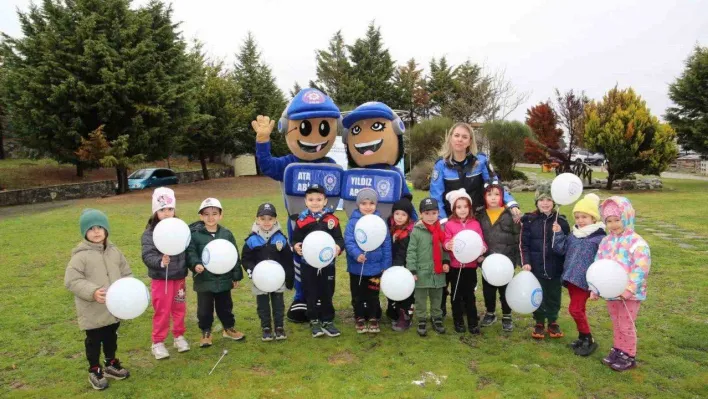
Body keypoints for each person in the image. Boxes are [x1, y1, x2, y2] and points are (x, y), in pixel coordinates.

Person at [252, 88, 341, 323]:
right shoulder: (289, 162)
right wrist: (262, 141)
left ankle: (323, 299)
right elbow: (268, 166)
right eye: (304, 128)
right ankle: (302, 297)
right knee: (300, 258)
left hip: (325, 226)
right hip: (297, 223)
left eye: (323, 128)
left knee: (324, 258)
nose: (314, 137)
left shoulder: (330, 164)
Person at [65, 209, 132, 390]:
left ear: (106, 229)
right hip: (92, 308)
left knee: (111, 336)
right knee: (94, 340)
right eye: (91, 228)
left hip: (113, 308)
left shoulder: (114, 252)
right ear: (84, 232)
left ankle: (110, 363)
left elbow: (126, 273)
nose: (96, 231)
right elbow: (72, 280)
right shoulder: (80, 256)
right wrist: (93, 292)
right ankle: (94, 369)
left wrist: (129, 290)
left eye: (100, 227)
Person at [593, 196, 651, 372]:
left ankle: (629, 355)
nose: (613, 225)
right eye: (609, 221)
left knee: (625, 324)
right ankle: (618, 349)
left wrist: (629, 289)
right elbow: (599, 264)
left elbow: (641, 268)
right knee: (616, 322)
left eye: (617, 220)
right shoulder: (606, 242)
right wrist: (596, 288)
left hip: (630, 294)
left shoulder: (637, 243)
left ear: (626, 218)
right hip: (611, 292)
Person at [429, 122, 521, 220]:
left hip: (478, 217)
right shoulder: (440, 165)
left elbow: (496, 185)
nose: (460, 139)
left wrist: (511, 203)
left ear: (469, 141)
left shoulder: (481, 161)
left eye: (464, 137)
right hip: (451, 219)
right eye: (456, 136)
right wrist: (442, 221)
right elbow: (436, 196)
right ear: (450, 138)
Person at [186, 198, 244, 348]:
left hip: (224, 278)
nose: (210, 218)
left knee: (225, 306)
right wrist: (195, 264)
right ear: (201, 216)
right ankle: (206, 332)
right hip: (204, 278)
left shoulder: (226, 234)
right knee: (204, 309)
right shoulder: (195, 235)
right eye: (206, 214)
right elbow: (191, 252)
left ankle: (228, 328)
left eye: (214, 213)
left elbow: (234, 255)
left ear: (220, 215)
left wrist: (236, 274)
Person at [553, 194, 606, 356]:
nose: (580, 220)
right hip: (571, 278)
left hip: (585, 281)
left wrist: (596, 286)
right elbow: (560, 250)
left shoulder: (600, 238)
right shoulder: (574, 234)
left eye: (584, 217)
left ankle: (588, 338)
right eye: (577, 217)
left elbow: (602, 263)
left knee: (575, 309)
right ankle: (582, 337)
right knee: (579, 309)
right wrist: (559, 234)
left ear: (594, 218)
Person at [141, 187, 189, 360]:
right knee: (162, 309)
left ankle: (178, 336)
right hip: (161, 279)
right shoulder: (149, 234)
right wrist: (161, 262)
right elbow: (147, 255)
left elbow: (187, 249)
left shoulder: (180, 228)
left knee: (179, 307)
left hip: (179, 277)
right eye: (162, 209)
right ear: (155, 212)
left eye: (170, 209)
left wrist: (193, 265)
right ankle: (158, 342)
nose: (167, 213)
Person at [291, 184, 345, 338]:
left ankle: (328, 320)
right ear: (306, 201)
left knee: (327, 290)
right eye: (311, 199)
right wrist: (296, 246)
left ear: (325, 201)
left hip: (328, 264)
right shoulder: (301, 220)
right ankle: (314, 319)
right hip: (308, 265)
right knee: (311, 291)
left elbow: (339, 239)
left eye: (319, 199)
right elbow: (295, 240)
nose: (315, 202)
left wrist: (338, 247)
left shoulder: (332, 220)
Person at [520, 184, 570, 339]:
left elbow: (567, 245)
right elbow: (524, 244)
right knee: (538, 294)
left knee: (553, 294)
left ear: (554, 202)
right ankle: (539, 321)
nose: (545, 203)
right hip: (536, 267)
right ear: (537, 202)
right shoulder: (530, 221)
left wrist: (560, 232)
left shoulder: (561, 221)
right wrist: (526, 262)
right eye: (542, 200)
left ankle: (553, 320)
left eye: (549, 199)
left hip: (555, 267)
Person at [241, 203, 295, 341]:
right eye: (263, 218)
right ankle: (266, 327)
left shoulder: (281, 239)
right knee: (263, 304)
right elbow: (246, 259)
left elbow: (288, 259)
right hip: (260, 279)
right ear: (257, 219)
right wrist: (252, 270)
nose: (266, 222)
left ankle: (279, 327)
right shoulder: (251, 240)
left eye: (270, 219)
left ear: (275, 220)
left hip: (278, 279)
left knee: (278, 303)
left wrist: (289, 278)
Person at [344, 188, 392, 334]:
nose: (368, 206)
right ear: (358, 204)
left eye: (371, 203)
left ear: (376, 205)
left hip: (375, 268)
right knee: (358, 294)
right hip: (357, 268)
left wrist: (385, 265)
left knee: (373, 294)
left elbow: (386, 244)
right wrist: (356, 254)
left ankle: (373, 317)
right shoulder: (353, 222)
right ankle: (359, 316)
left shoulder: (380, 222)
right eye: (364, 203)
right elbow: (349, 241)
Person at [477, 181, 520, 332]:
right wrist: (479, 257)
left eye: (497, 194)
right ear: (484, 197)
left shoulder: (511, 214)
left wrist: (515, 259)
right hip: (487, 261)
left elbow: (517, 237)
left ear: (502, 196)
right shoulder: (480, 214)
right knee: (488, 289)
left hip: (506, 260)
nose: (493, 198)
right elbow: (476, 237)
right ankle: (490, 313)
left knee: (505, 290)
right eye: (489, 195)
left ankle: (507, 315)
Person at [443, 188, 486, 334]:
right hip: (455, 266)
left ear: (470, 207)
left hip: (470, 267)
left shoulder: (475, 224)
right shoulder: (449, 225)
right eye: (458, 207)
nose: (462, 210)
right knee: (456, 295)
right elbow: (446, 241)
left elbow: (481, 241)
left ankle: (473, 322)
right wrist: (447, 245)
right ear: (454, 208)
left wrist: (483, 249)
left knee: (469, 295)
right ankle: (458, 321)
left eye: (465, 207)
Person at [407, 197, 450, 337]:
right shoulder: (416, 231)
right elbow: (411, 251)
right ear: (421, 214)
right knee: (420, 298)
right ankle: (421, 319)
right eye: (427, 213)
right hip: (421, 272)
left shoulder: (441, 229)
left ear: (438, 213)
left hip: (437, 272)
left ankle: (437, 318)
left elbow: (445, 248)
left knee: (437, 297)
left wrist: (446, 262)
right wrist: (412, 270)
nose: (430, 217)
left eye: (433, 213)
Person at [386, 195, 416, 331]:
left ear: (408, 217)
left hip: (404, 268)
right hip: (391, 266)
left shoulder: (410, 232)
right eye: (397, 213)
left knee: (405, 294)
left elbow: (403, 253)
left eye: (403, 214)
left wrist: (396, 267)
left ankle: (405, 317)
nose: (399, 217)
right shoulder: (388, 227)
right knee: (391, 291)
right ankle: (393, 313)